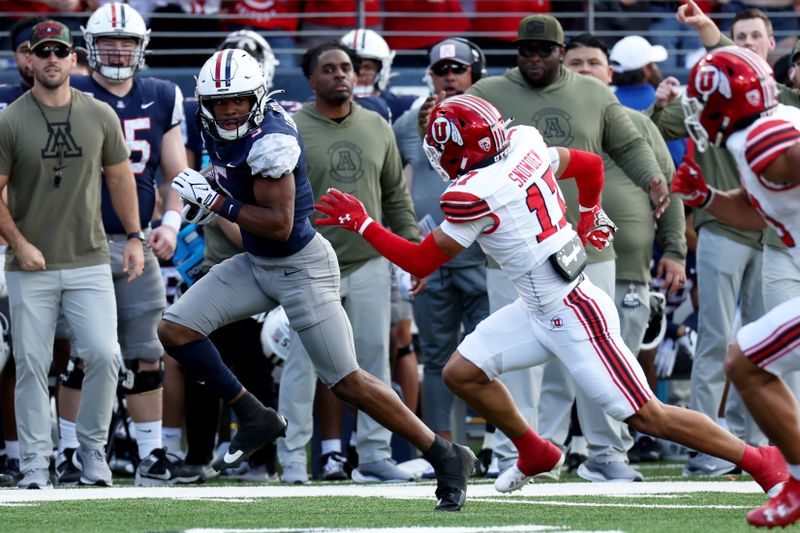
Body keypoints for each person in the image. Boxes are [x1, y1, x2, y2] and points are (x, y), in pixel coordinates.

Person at [314, 93, 788, 499]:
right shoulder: (526, 144)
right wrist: (588, 212)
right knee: (464, 372)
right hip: (538, 304)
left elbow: (419, 262)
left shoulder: (476, 192)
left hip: (573, 309)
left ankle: (759, 459)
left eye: (442, 148)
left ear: (462, 152)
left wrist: (363, 223)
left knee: (647, 416)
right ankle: (534, 449)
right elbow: (588, 164)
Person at [158, 48, 475, 511]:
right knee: (175, 328)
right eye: (219, 102)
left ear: (258, 97)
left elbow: (279, 224)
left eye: (238, 101)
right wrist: (210, 183)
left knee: (347, 381)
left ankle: (447, 456)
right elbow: (231, 171)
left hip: (300, 264)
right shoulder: (223, 123)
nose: (228, 111)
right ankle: (253, 415)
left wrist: (216, 203)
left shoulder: (272, 140)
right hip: (258, 263)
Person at [466, 13, 669, 482]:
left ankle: (606, 453)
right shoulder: (486, 94)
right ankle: (519, 452)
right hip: (514, 252)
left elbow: (629, 144)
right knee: (516, 362)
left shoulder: (594, 93)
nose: (534, 58)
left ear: (561, 52)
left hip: (585, 251)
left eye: (544, 51)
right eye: (525, 50)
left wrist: (652, 179)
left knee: (594, 354)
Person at [650, 0, 800, 472]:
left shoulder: (769, 129)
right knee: (743, 353)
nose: (704, 111)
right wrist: (707, 197)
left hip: (779, 252)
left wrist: (712, 32)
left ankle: (775, 455)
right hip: (744, 235)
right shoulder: (745, 130)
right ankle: (752, 454)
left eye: (711, 100)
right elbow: (758, 210)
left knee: (752, 352)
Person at [0, 20, 144, 489]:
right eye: (42, 51)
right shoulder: (9, 119)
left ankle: (90, 453)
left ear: (73, 58)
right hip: (30, 265)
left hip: (90, 258)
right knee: (31, 365)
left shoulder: (100, 113)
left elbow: (121, 177)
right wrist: (20, 245)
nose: (51, 59)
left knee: (105, 354)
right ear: (30, 60)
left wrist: (136, 236)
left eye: (59, 51)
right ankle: (37, 464)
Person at [51, 2, 188, 487]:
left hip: (136, 244)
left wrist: (170, 224)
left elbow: (177, 174)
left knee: (148, 352)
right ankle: (68, 451)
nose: (116, 50)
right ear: (88, 46)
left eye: (126, 41)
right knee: (85, 353)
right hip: (79, 245)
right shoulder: (69, 91)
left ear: (141, 46)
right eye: (108, 41)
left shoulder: (160, 94)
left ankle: (151, 454)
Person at [277, 42, 422, 484]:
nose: (341, 75)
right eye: (330, 68)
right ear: (311, 79)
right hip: (308, 263)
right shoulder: (291, 128)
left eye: (347, 67)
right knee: (302, 365)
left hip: (368, 262)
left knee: (374, 360)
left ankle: (375, 456)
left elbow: (396, 196)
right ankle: (292, 461)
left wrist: (412, 249)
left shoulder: (378, 125)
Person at [563, 33, 688, 466]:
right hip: (562, 269)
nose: (584, 71)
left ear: (610, 72)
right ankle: (555, 447)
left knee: (620, 365)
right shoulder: (552, 123)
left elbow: (670, 189)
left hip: (631, 268)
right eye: (574, 64)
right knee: (561, 364)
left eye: (593, 63)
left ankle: (610, 451)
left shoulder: (639, 124)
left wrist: (674, 250)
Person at [393, 37, 490, 444]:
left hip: (484, 256)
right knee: (436, 358)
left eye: (457, 69)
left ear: (474, 74)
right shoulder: (407, 124)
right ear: (430, 76)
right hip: (432, 259)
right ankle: (446, 446)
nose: (449, 77)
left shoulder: (493, 120)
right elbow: (398, 189)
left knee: (489, 358)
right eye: (441, 70)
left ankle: (501, 445)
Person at [339, 28, 418, 121]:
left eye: (367, 67)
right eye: (353, 67)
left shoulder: (402, 105)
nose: (360, 73)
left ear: (382, 70)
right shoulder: (327, 106)